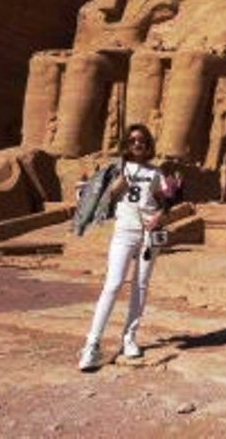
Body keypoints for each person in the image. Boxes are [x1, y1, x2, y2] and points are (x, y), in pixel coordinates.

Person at [78, 124, 167, 371]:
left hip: (149, 233)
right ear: (127, 143)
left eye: (142, 140)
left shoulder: (156, 172)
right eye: (133, 140)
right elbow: (103, 199)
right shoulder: (117, 168)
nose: (138, 143)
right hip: (125, 230)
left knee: (140, 285)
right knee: (113, 283)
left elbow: (163, 202)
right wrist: (118, 183)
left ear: (148, 145)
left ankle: (129, 338)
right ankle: (92, 343)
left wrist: (158, 216)